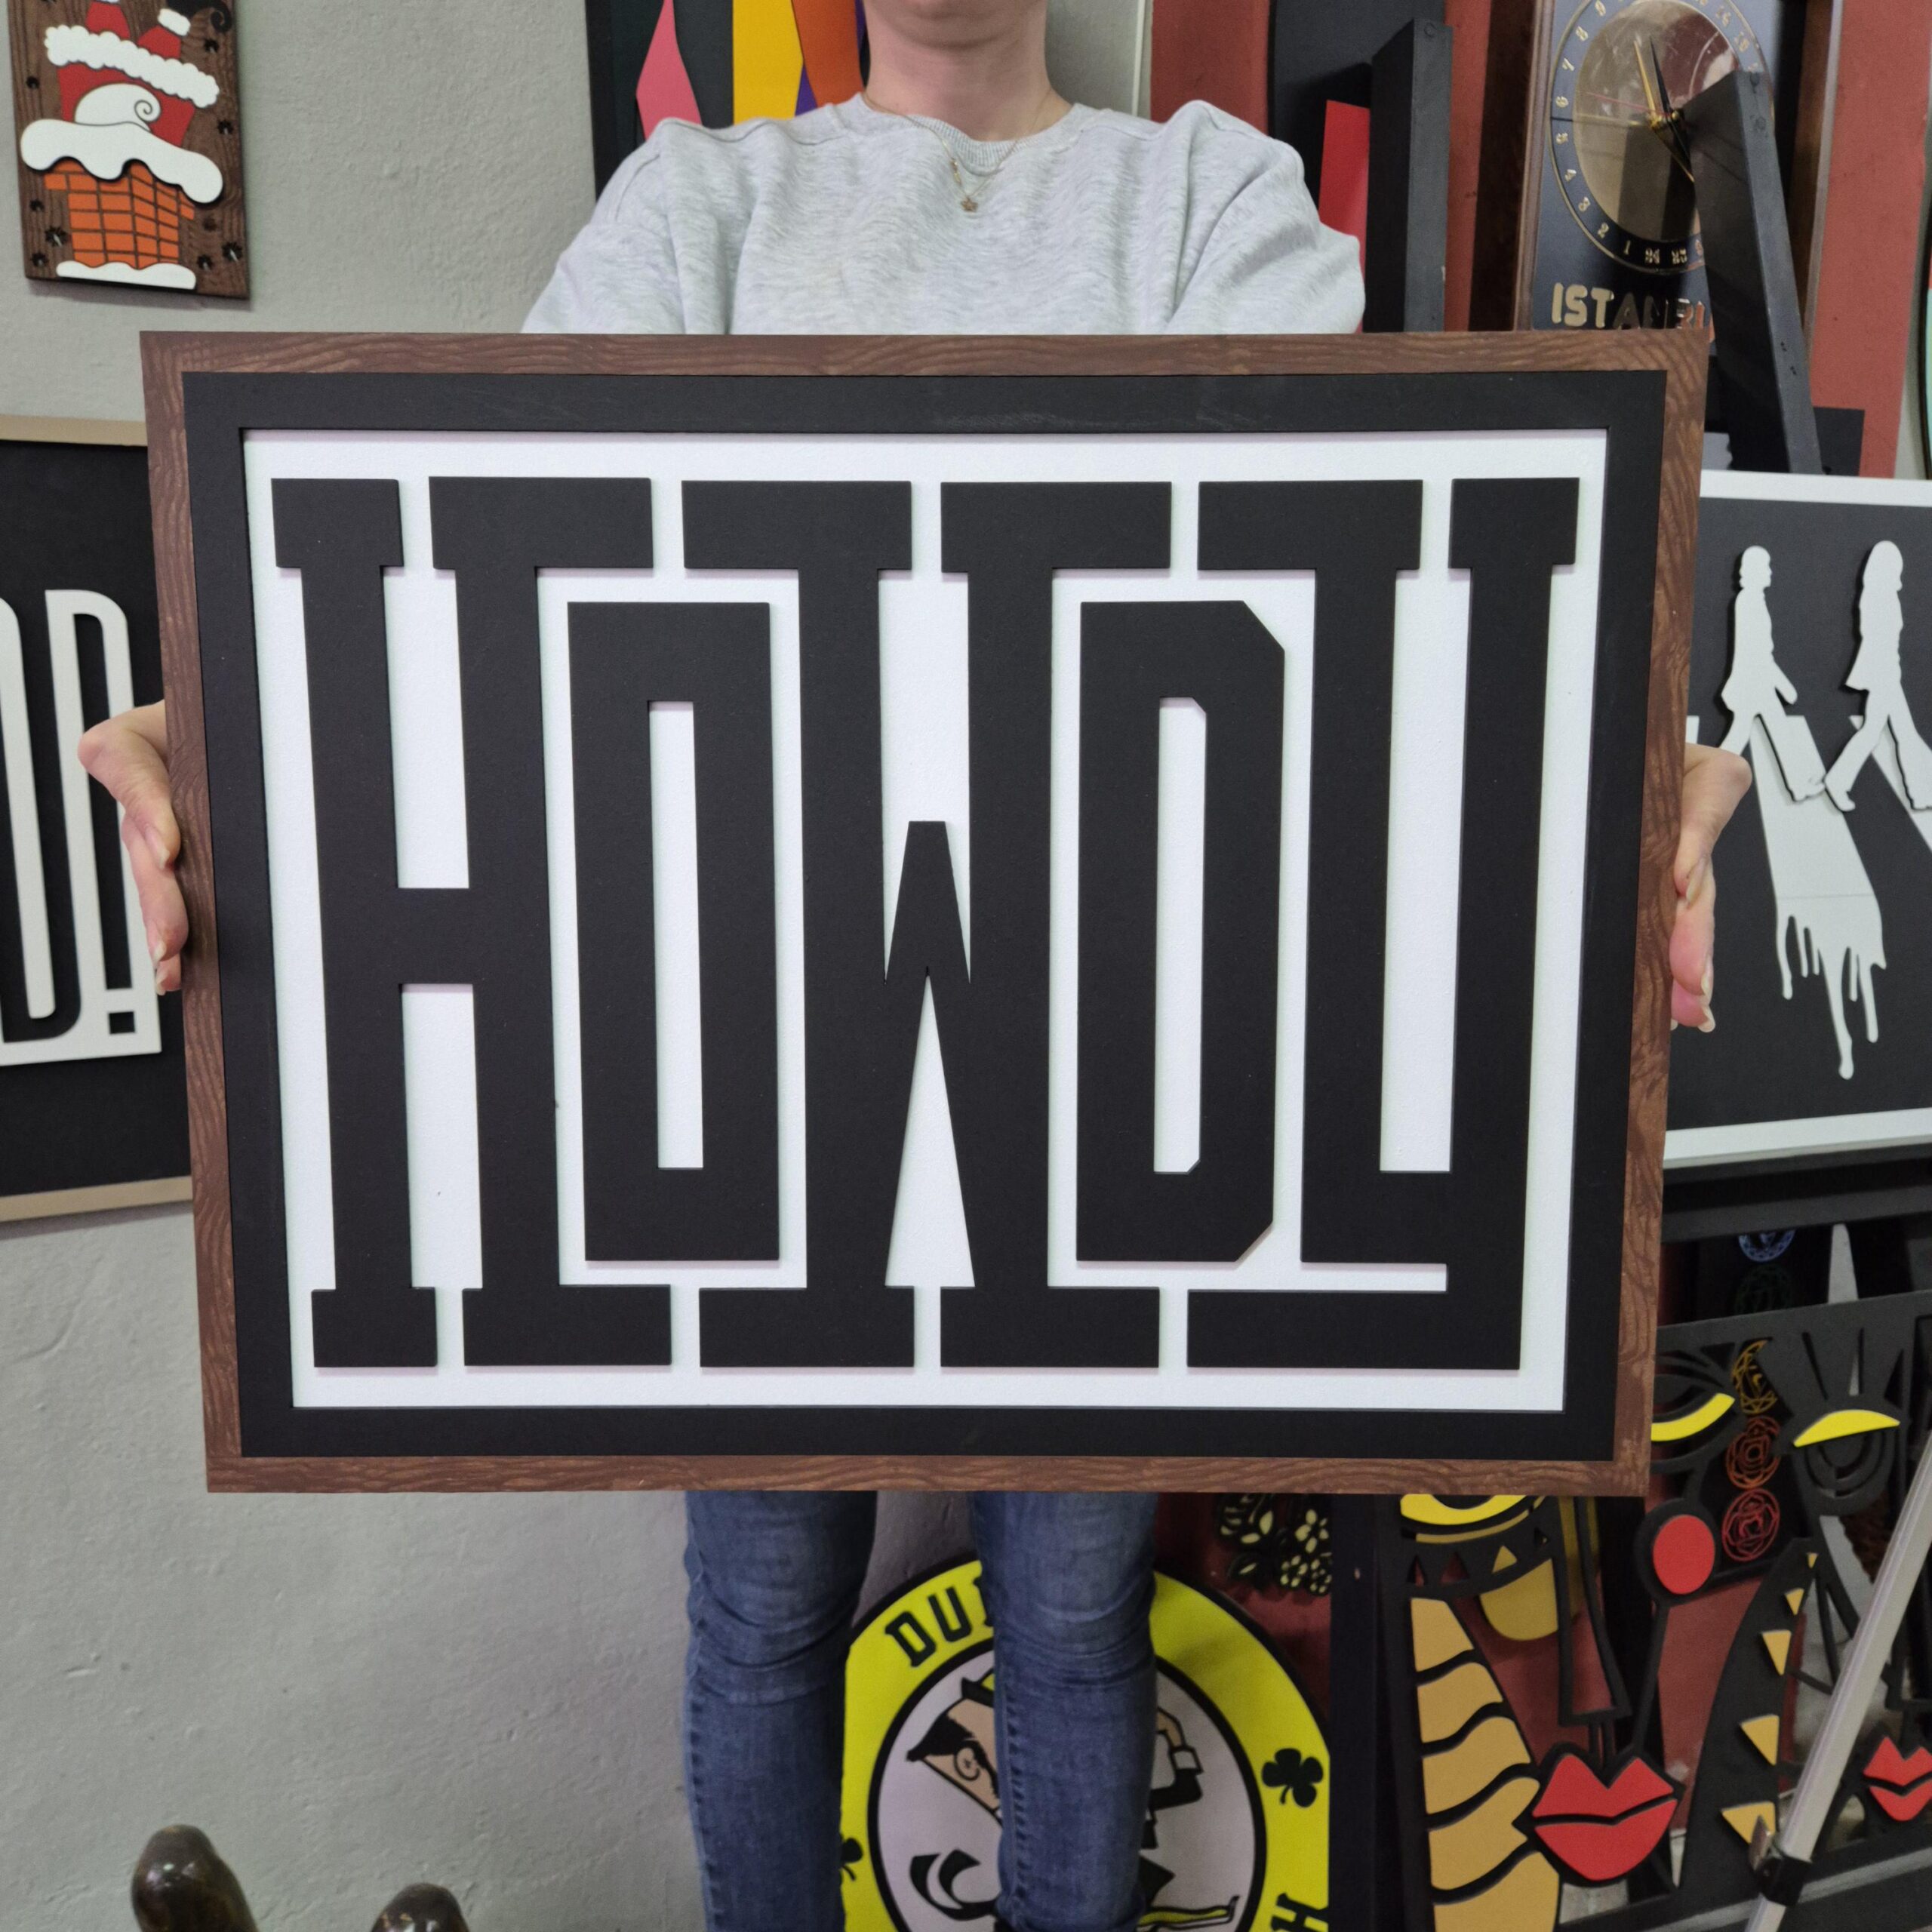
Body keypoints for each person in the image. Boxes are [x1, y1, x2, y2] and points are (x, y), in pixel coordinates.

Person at [78, 4, 1752, 1927]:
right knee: (761, 1609)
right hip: (767, 1071)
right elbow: (489, 575)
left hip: (1105, 1074)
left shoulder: (1208, 197)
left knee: (1074, 1611)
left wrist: (1620, 771)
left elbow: (1370, 582)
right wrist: (238, 736)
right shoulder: (698, 203)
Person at [1825, 540, 1932, 812]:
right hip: (1883, 674)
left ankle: (1921, 792)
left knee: (1888, 732)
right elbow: (1876, 640)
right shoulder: (1878, 597)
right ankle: (1839, 781)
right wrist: (1886, 673)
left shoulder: (1882, 595)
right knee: (1891, 733)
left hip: (1886, 673)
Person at [1720, 546, 1828, 802]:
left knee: (1770, 731)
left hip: (1757, 681)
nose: (1770, 572)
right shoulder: (1748, 601)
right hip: (1753, 682)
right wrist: (1783, 684)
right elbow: (1757, 650)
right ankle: (1709, 777)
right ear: (1755, 571)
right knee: (1742, 736)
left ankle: (1798, 785)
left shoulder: (1753, 600)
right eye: (1766, 567)